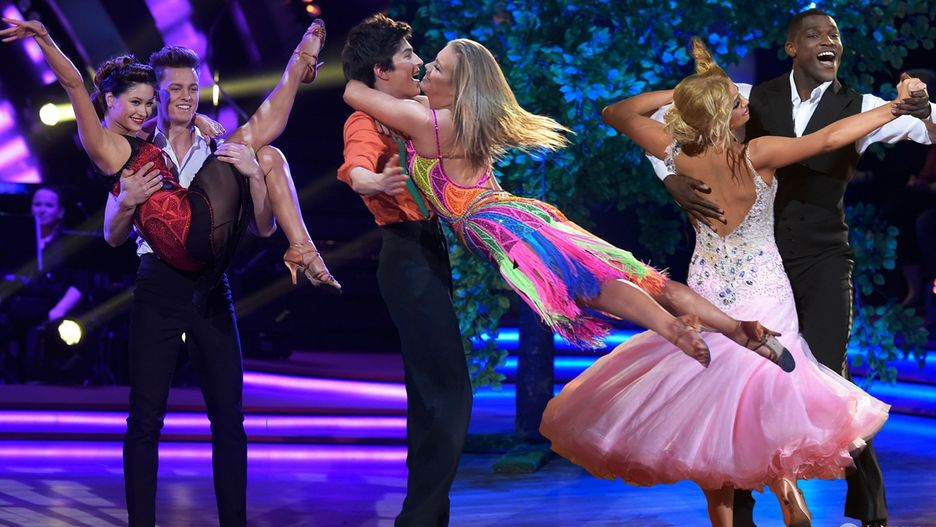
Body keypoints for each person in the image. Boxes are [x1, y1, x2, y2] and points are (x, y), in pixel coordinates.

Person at [540, 37, 907, 527]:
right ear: (720, 116)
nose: (745, 102)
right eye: (735, 101)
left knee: (711, 407)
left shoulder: (674, 151)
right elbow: (827, 140)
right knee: (768, 396)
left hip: (709, 291)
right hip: (765, 290)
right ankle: (789, 496)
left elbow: (617, 112)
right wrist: (894, 108)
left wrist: (683, 93)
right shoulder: (758, 154)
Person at [1, 17, 334, 526]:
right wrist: (45, 39)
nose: (180, 98)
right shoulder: (124, 150)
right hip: (158, 285)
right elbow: (76, 92)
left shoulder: (212, 142)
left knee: (229, 421)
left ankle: (299, 65)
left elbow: (260, 218)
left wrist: (252, 168)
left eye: (191, 89)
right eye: (168, 91)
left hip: (212, 284)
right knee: (144, 419)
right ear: (143, 96)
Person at [343, 38, 800, 390]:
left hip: (496, 226)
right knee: (641, 277)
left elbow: (353, 91)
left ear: (459, 86)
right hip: (517, 214)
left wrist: (341, 67)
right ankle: (740, 330)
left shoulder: (427, 121)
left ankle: (671, 328)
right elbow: (414, 101)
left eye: (438, 67)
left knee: (588, 286)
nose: (426, 67)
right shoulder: (459, 115)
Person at [652, 10, 934, 527]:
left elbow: (929, 129)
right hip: (756, 264)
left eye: (835, 35)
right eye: (815, 34)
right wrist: (671, 176)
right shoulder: (747, 97)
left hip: (822, 258)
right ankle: (744, 509)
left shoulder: (862, 106)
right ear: (791, 48)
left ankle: (867, 505)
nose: (829, 41)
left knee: (826, 375)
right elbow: (673, 120)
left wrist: (921, 105)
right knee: (741, 381)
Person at [339, 15, 471, 527]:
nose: (418, 61)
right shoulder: (365, 121)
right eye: (407, 55)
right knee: (449, 394)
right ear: (381, 70)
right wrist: (372, 182)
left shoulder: (413, 110)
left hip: (428, 252)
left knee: (430, 397)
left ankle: (427, 519)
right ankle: (417, 520)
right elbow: (357, 166)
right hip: (406, 256)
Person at [0, 186, 84, 382]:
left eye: (48, 205)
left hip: (51, 306)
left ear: (60, 212)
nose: (42, 210)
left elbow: (80, 283)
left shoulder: (68, 242)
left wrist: (59, 309)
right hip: (15, 304)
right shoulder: (14, 242)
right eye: (37, 204)